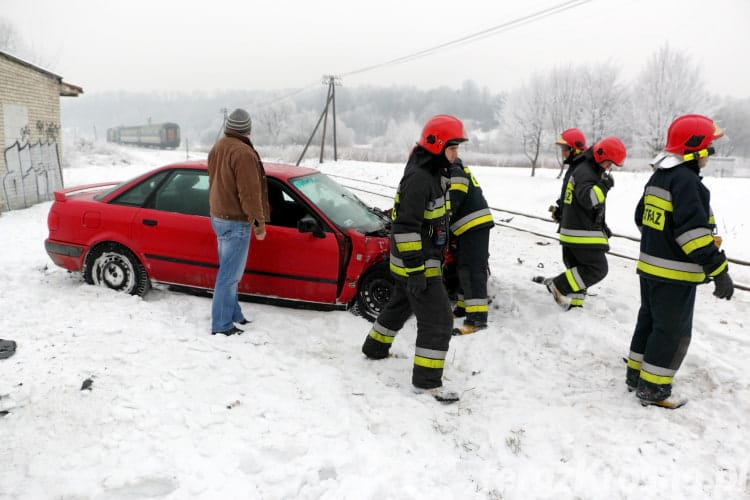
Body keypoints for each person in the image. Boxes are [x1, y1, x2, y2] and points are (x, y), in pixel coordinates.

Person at [626, 114, 733, 408]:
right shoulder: (688, 183)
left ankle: (635, 377)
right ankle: (654, 389)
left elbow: (642, 218)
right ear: (696, 149)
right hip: (675, 276)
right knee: (671, 331)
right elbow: (693, 236)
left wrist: (660, 244)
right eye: (710, 147)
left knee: (648, 322)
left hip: (649, 270)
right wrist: (719, 268)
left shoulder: (659, 176)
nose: (711, 154)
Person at [361, 114, 466, 403]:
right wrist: (417, 271)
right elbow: (405, 228)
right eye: (453, 148)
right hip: (417, 264)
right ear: (437, 146)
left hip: (414, 261)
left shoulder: (432, 174)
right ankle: (427, 382)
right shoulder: (421, 179)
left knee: (400, 305)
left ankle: (375, 347)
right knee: (439, 320)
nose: (457, 155)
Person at [542, 136, 627, 310]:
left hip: (576, 230)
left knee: (579, 270)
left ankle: (576, 305)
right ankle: (558, 285)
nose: (609, 168)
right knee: (597, 268)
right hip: (580, 233)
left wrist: (602, 227)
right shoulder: (586, 171)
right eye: (609, 163)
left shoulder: (584, 168)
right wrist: (604, 185)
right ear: (600, 156)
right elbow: (589, 200)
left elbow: (586, 208)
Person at [207, 108, 269, 336]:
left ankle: (234, 314)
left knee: (228, 272)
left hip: (219, 217)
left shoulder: (218, 147)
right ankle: (222, 326)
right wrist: (259, 224)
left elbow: (215, 181)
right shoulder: (243, 153)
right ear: (247, 129)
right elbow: (249, 193)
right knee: (229, 276)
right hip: (235, 221)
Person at [447, 157, 494, 335]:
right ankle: (462, 307)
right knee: (463, 268)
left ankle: (477, 319)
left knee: (474, 271)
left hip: (473, 226)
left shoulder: (454, 170)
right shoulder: (451, 168)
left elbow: (451, 202)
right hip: (466, 228)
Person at [548, 128, 587, 225]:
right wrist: (561, 210)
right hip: (569, 224)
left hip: (576, 227)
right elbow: (570, 196)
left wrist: (566, 213)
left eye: (565, 148)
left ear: (576, 150)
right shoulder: (573, 167)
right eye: (562, 148)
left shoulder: (582, 170)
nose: (563, 152)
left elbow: (583, 204)